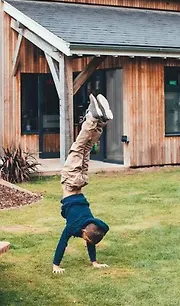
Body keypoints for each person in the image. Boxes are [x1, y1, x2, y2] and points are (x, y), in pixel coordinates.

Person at [52, 94, 113, 274]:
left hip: (80, 182)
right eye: (86, 239)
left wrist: (94, 262)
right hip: (70, 181)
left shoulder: (92, 223)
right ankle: (92, 118)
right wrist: (56, 265)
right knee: (79, 146)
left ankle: (101, 122)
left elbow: (96, 234)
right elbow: (62, 243)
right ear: (85, 233)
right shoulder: (75, 227)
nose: (85, 242)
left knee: (86, 149)